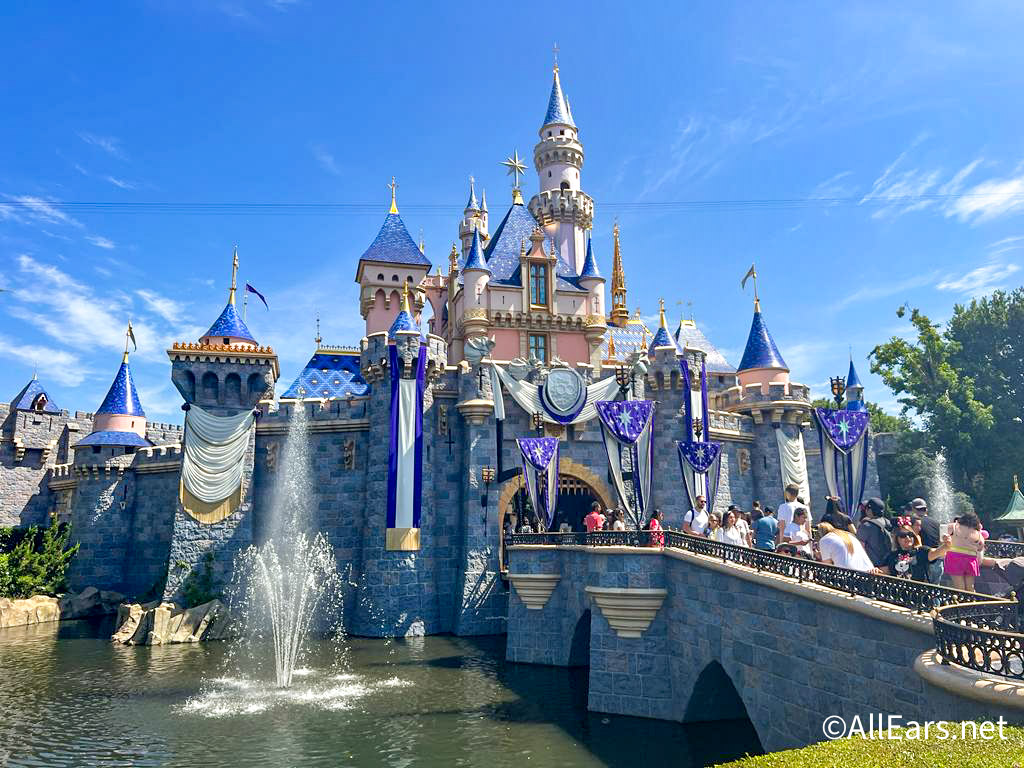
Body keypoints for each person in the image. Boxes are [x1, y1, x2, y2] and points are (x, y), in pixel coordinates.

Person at [874, 523, 951, 581]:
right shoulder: (891, 555)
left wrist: (946, 545)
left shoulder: (921, 551)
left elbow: (938, 552)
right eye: (903, 535)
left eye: (910, 534)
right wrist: (875, 570)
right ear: (897, 539)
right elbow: (883, 571)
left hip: (919, 596)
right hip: (897, 596)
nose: (907, 538)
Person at [945, 513, 988, 592]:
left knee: (959, 587)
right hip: (971, 560)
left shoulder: (952, 526)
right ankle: (971, 603)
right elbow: (980, 548)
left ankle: (961, 603)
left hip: (954, 558)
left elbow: (942, 538)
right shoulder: (978, 534)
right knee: (970, 587)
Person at [856, 497, 893, 566]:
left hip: (872, 567)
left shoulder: (866, 525)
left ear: (870, 510)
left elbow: (859, 548)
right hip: (888, 564)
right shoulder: (887, 523)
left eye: (867, 508)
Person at [776, 483, 808, 548]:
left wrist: (781, 545)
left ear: (788, 494)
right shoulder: (805, 507)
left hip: (789, 539)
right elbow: (808, 528)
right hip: (803, 539)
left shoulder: (783, 507)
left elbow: (782, 526)